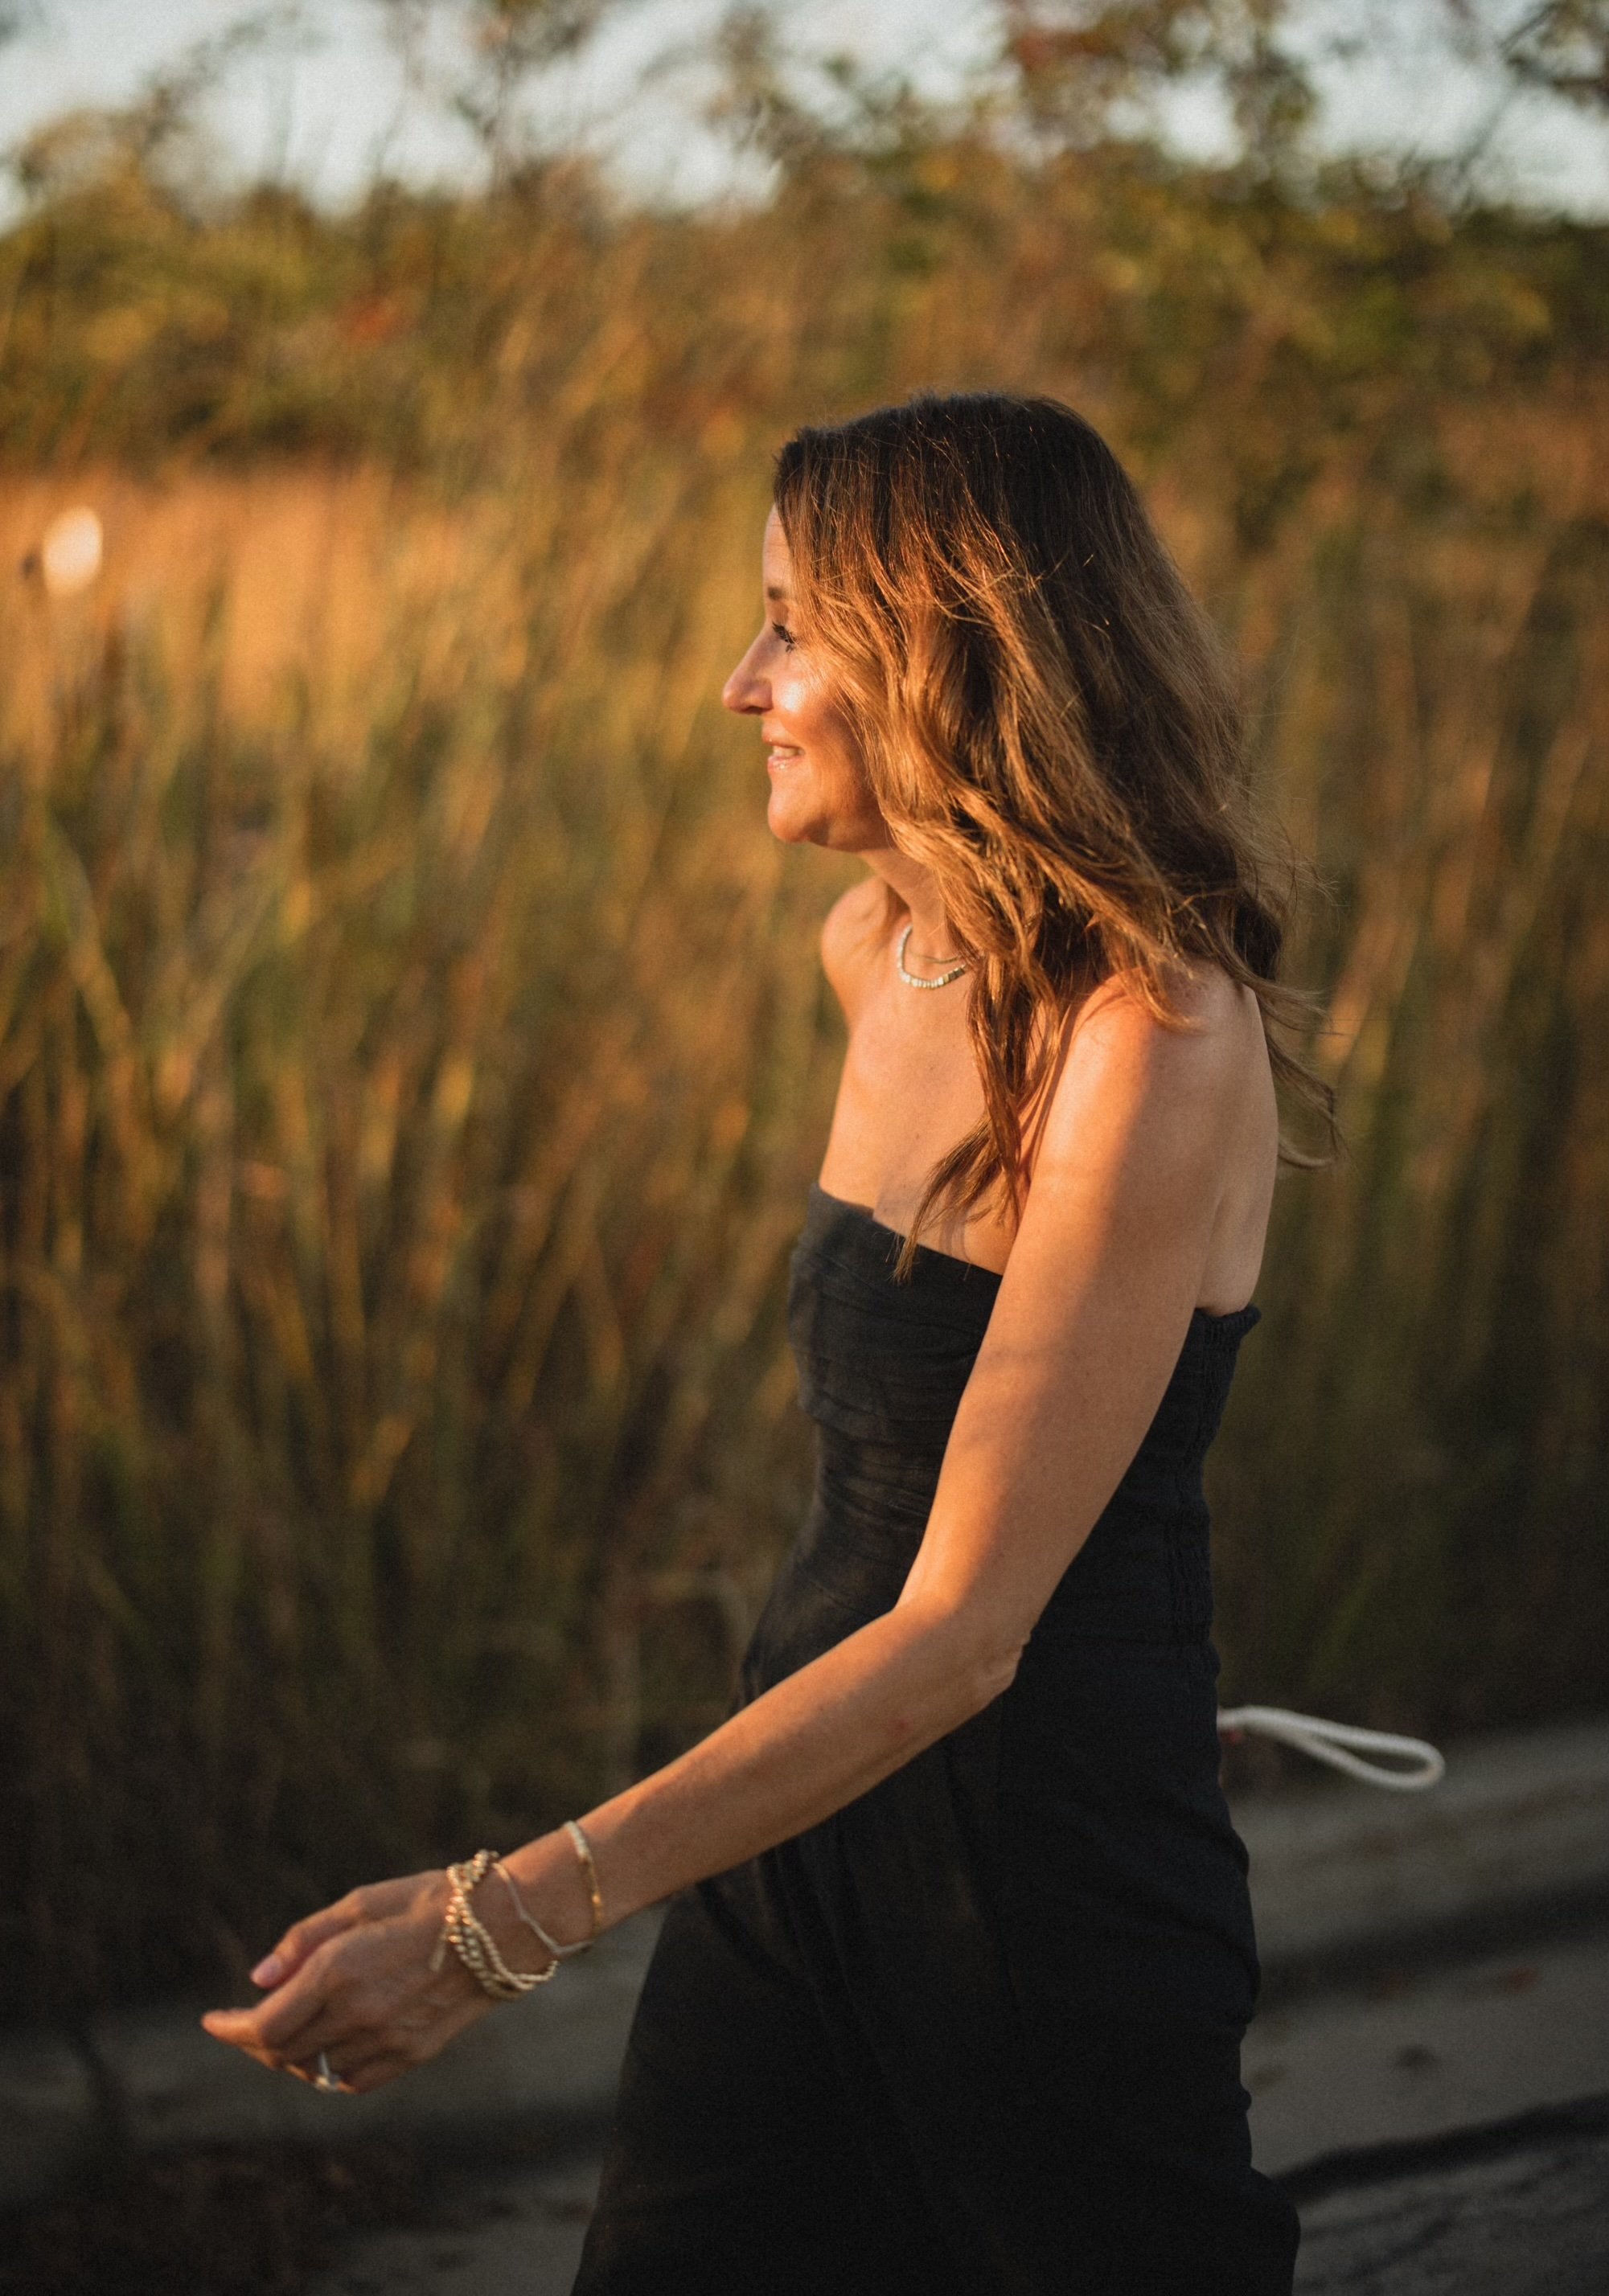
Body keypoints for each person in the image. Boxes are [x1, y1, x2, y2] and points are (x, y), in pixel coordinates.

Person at [205, 392, 1336, 2294]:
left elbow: (969, 1626)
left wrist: (498, 1924)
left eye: (792, 626)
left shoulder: (1153, 1039)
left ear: (950, 657)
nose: (740, 683)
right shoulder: (869, 957)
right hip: (794, 1812)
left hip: (1044, 1889)